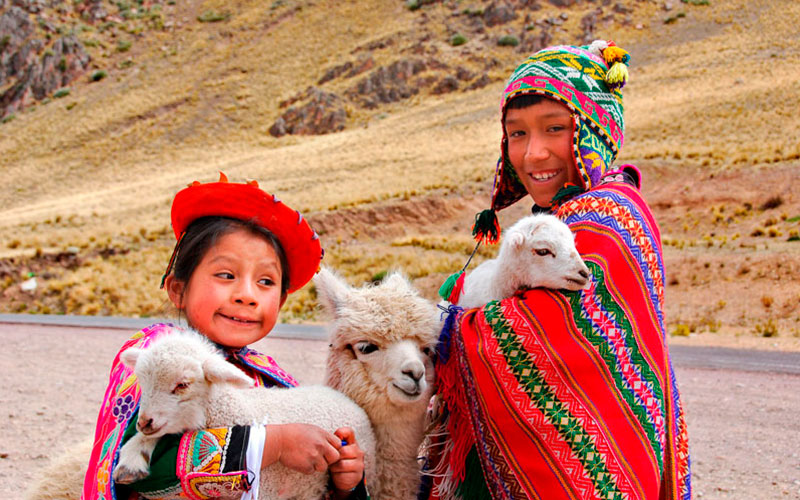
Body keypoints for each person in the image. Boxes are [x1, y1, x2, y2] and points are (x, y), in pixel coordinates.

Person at [429, 41, 691, 499]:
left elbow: (543, 333)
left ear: (592, 131)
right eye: (516, 134)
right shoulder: (566, 217)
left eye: (554, 129)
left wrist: (450, 314)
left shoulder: (607, 220)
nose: (533, 154)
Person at [82, 174, 368, 500]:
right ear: (179, 289)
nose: (247, 295)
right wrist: (273, 443)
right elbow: (135, 466)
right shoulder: (154, 355)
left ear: (282, 301)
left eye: (265, 281)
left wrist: (345, 480)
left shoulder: (268, 376)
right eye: (226, 275)